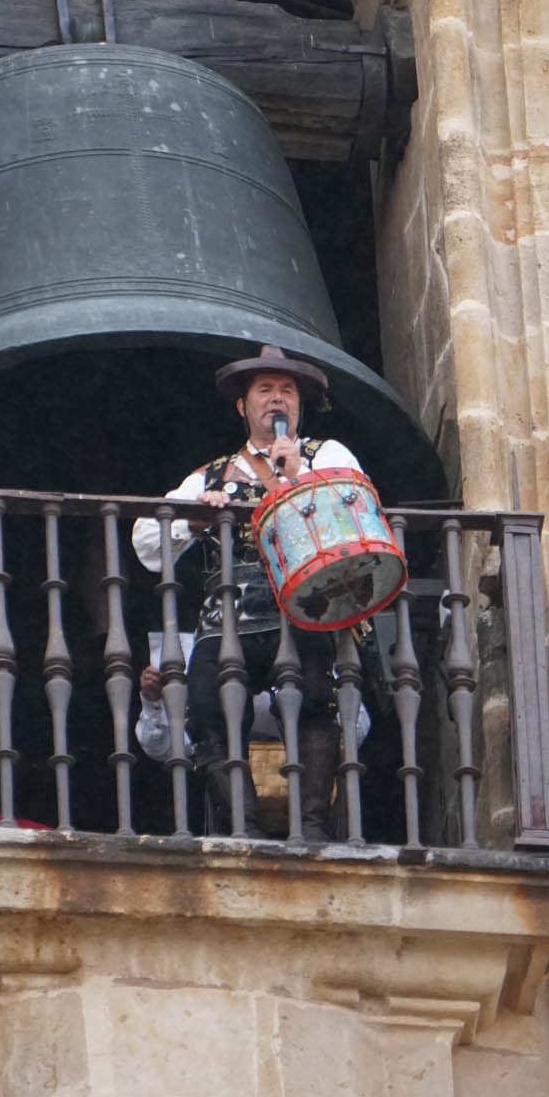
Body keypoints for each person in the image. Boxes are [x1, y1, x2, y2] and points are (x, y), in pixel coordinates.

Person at [131, 343, 366, 841]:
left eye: (287, 390)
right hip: (229, 617)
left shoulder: (327, 455)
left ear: (299, 406)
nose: (277, 398)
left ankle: (314, 828)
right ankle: (244, 829)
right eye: (265, 389)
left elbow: (356, 512)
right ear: (243, 405)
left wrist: (296, 476)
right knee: (206, 705)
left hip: (302, 608)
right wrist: (194, 521)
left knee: (316, 703)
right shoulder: (209, 475)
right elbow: (146, 543)